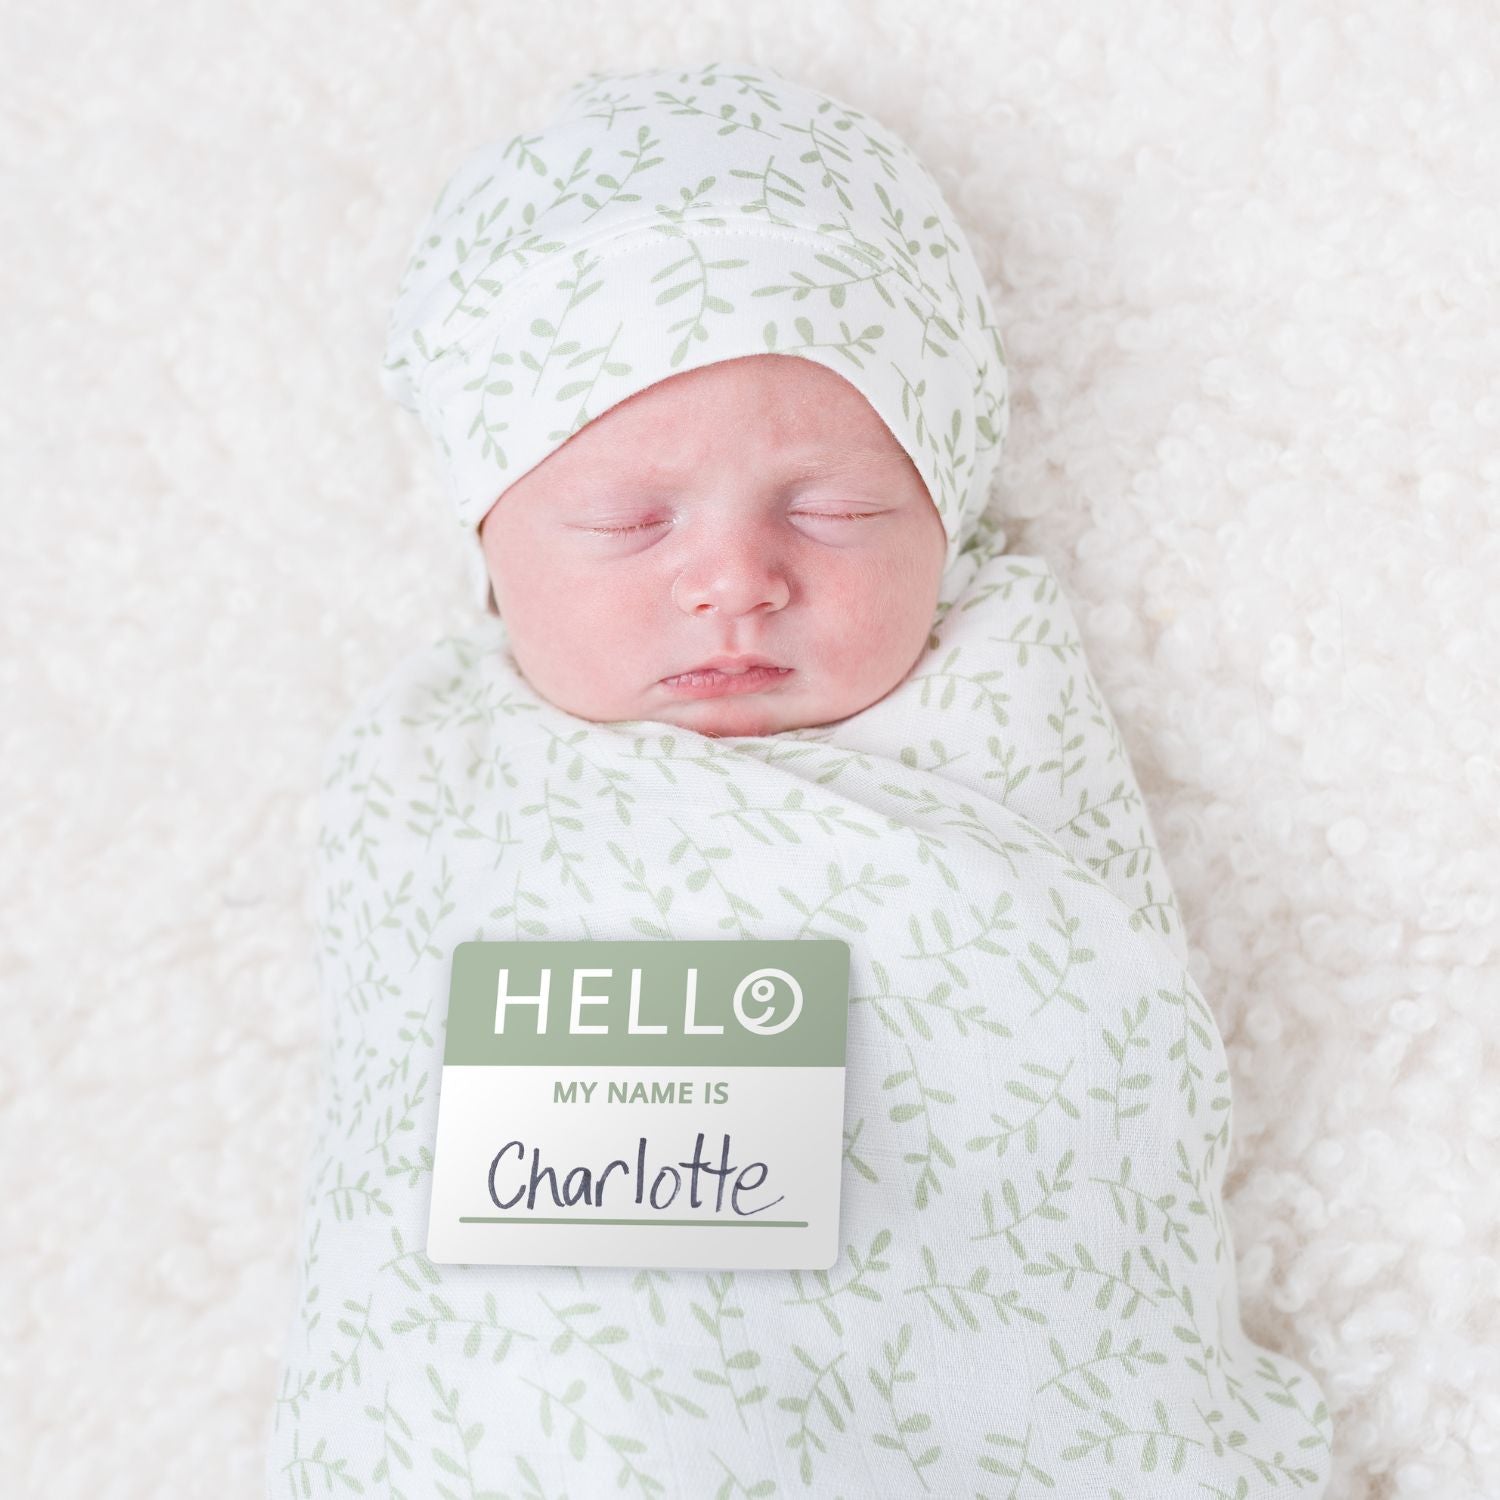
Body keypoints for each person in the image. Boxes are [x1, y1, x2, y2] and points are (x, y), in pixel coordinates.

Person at [263, 60, 1332, 1497]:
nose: (735, 582)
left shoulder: (999, 731)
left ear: (946, 514)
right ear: (490, 538)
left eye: (830, 511)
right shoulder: (437, 778)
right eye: (629, 522)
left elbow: (1076, 1075)